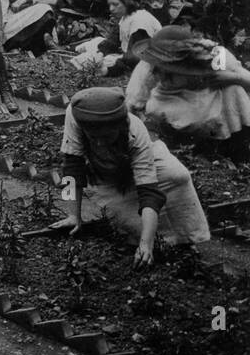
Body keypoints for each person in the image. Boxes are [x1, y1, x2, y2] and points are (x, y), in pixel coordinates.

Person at [53, 87, 210, 264]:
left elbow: (149, 191)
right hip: (105, 170)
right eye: (93, 137)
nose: (99, 142)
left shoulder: (135, 132)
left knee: (177, 176)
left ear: (119, 127)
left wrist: (146, 244)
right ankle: (150, 236)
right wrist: (73, 215)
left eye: (106, 137)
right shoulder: (75, 115)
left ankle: (184, 238)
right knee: (126, 223)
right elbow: (72, 168)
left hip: (141, 161)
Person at [126, 25, 250, 160]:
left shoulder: (216, 58)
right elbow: (135, 99)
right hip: (169, 104)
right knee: (155, 112)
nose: (162, 75)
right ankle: (184, 142)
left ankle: (233, 143)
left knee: (233, 89)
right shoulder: (152, 59)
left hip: (209, 104)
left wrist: (234, 77)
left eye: (171, 71)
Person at [70, 0, 162, 76]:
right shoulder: (127, 16)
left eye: (115, 4)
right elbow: (114, 40)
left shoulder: (140, 22)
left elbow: (135, 57)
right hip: (130, 53)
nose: (111, 9)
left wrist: (108, 70)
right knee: (97, 42)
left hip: (148, 62)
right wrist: (100, 53)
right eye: (110, 5)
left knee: (108, 61)